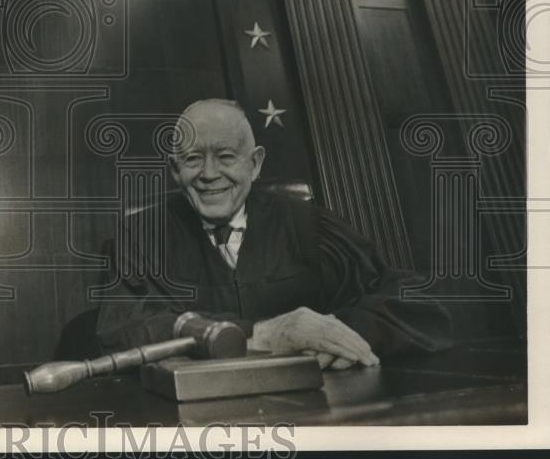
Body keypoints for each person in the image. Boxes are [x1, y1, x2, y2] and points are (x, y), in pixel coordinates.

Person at [95, 98, 452, 369]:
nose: (208, 173)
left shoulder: (307, 226)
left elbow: (410, 298)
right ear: (175, 170)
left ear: (255, 163)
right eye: (192, 159)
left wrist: (338, 335)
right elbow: (123, 330)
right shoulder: (141, 237)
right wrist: (261, 336)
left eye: (226, 156)